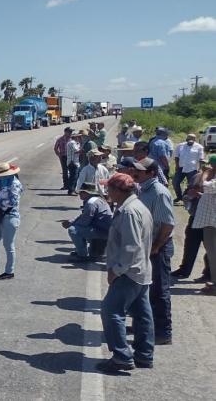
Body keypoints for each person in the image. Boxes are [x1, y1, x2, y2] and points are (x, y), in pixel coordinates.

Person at [96, 172, 155, 373]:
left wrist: (116, 271)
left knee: (111, 311)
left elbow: (130, 247)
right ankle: (144, 355)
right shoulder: (137, 206)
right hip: (141, 270)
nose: (107, 192)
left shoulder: (129, 211)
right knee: (142, 315)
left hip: (129, 272)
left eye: (109, 188)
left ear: (117, 190)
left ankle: (122, 356)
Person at [133, 157, 175, 345]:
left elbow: (167, 224)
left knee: (160, 290)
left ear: (151, 173)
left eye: (140, 171)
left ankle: (164, 332)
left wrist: (156, 247)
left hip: (158, 247)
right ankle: (146, 326)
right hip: (147, 246)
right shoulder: (144, 189)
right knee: (146, 289)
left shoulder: (159, 192)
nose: (136, 173)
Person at [0, 162, 24, 280]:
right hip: (0, 216)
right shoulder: (3, 182)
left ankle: (9, 271)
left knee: (8, 245)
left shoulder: (14, 184)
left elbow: (12, 202)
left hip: (9, 217)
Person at [172, 168, 210, 282]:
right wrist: (188, 196)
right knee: (189, 245)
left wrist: (200, 194)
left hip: (211, 220)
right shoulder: (197, 177)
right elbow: (186, 194)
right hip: (195, 216)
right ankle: (184, 270)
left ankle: (208, 273)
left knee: (210, 248)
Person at [61, 183, 113, 260]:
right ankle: (87, 251)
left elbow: (84, 222)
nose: (79, 194)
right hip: (103, 229)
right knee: (78, 227)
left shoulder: (91, 203)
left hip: (103, 231)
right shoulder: (96, 200)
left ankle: (82, 255)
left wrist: (70, 224)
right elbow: (83, 216)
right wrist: (71, 221)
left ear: (87, 193)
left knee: (73, 230)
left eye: (81, 192)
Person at [194, 156, 216, 294]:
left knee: (213, 254)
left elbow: (206, 186)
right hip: (210, 222)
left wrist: (206, 174)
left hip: (213, 223)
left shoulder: (211, 179)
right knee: (211, 254)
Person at [173, 133, 205, 203]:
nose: (190, 140)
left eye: (192, 139)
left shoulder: (199, 147)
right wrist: (176, 165)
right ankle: (179, 197)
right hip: (181, 168)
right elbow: (176, 157)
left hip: (192, 169)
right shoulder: (180, 146)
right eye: (189, 139)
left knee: (192, 185)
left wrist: (200, 169)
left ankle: (189, 198)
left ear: (195, 140)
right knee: (175, 182)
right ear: (186, 138)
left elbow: (201, 160)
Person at [66, 130, 82, 196]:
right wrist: (83, 149)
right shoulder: (72, 143)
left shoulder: (76, 143)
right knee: (73, 177)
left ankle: (73, 189)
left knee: (76, 176)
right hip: (72, 162)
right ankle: (71, 190)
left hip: (76, 162)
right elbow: (76, 151)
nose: (79, 137)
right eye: (78, 136)